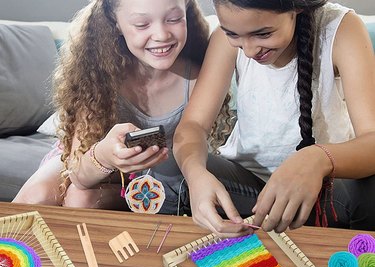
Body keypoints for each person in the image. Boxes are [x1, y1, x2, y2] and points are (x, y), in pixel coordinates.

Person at [173, 0, 375, 237]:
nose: (248, 51)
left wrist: (318, 158)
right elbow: (193, 125)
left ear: (297, 7)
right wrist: (195, 175)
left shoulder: (340, 28)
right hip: (251, 190)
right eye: (233, 34)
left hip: (324, 194)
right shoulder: (224, 40)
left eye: (263, 33)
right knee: (172, 165)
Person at [13, 0, 214, 214]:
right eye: (142, 24)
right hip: (89, 156)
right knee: (36, 195)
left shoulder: (198, 78)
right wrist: (104, 156)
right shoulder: (99, 74)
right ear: (115, 23)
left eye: (174, 19)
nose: (162, 34)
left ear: (187, 13)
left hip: (154, 175)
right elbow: (78, 173)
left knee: (81, 200)